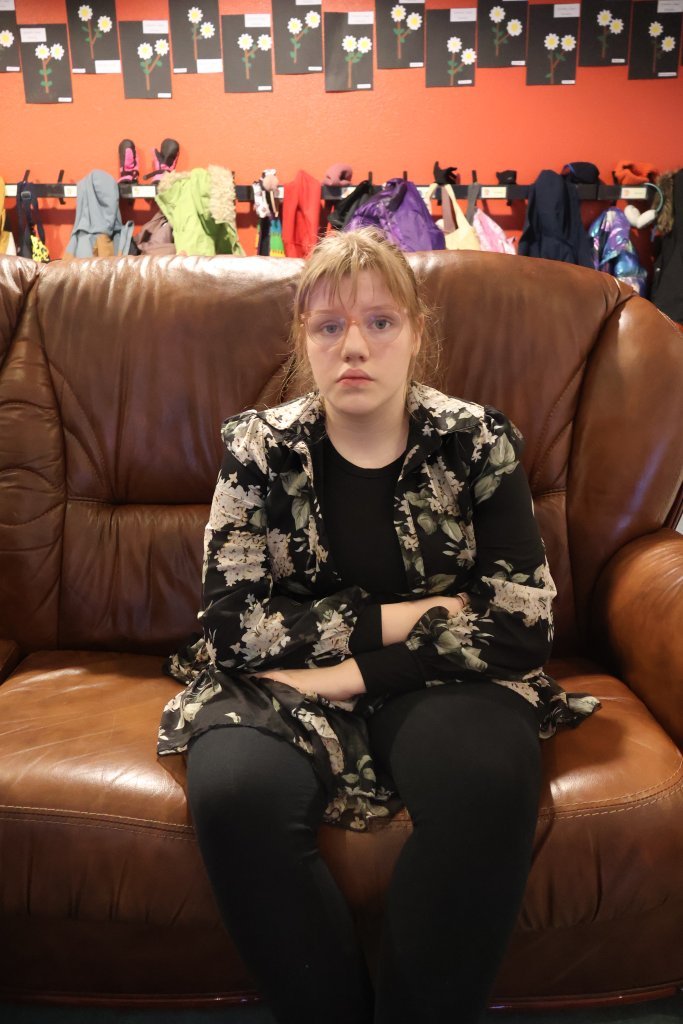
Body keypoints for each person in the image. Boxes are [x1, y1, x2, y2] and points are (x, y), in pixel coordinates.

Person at [158, 228, 599, 1024]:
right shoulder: (256, 450)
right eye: (328, 325)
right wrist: (408, 614)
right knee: (234, 796)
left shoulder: (476, 442)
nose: (353, 346)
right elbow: (233, 629)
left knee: (486, 783)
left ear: (416, 332)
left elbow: (519, 626)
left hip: (444, 678)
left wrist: (348, 673)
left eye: (379, 321)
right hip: (278, 689)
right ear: (303, 338)